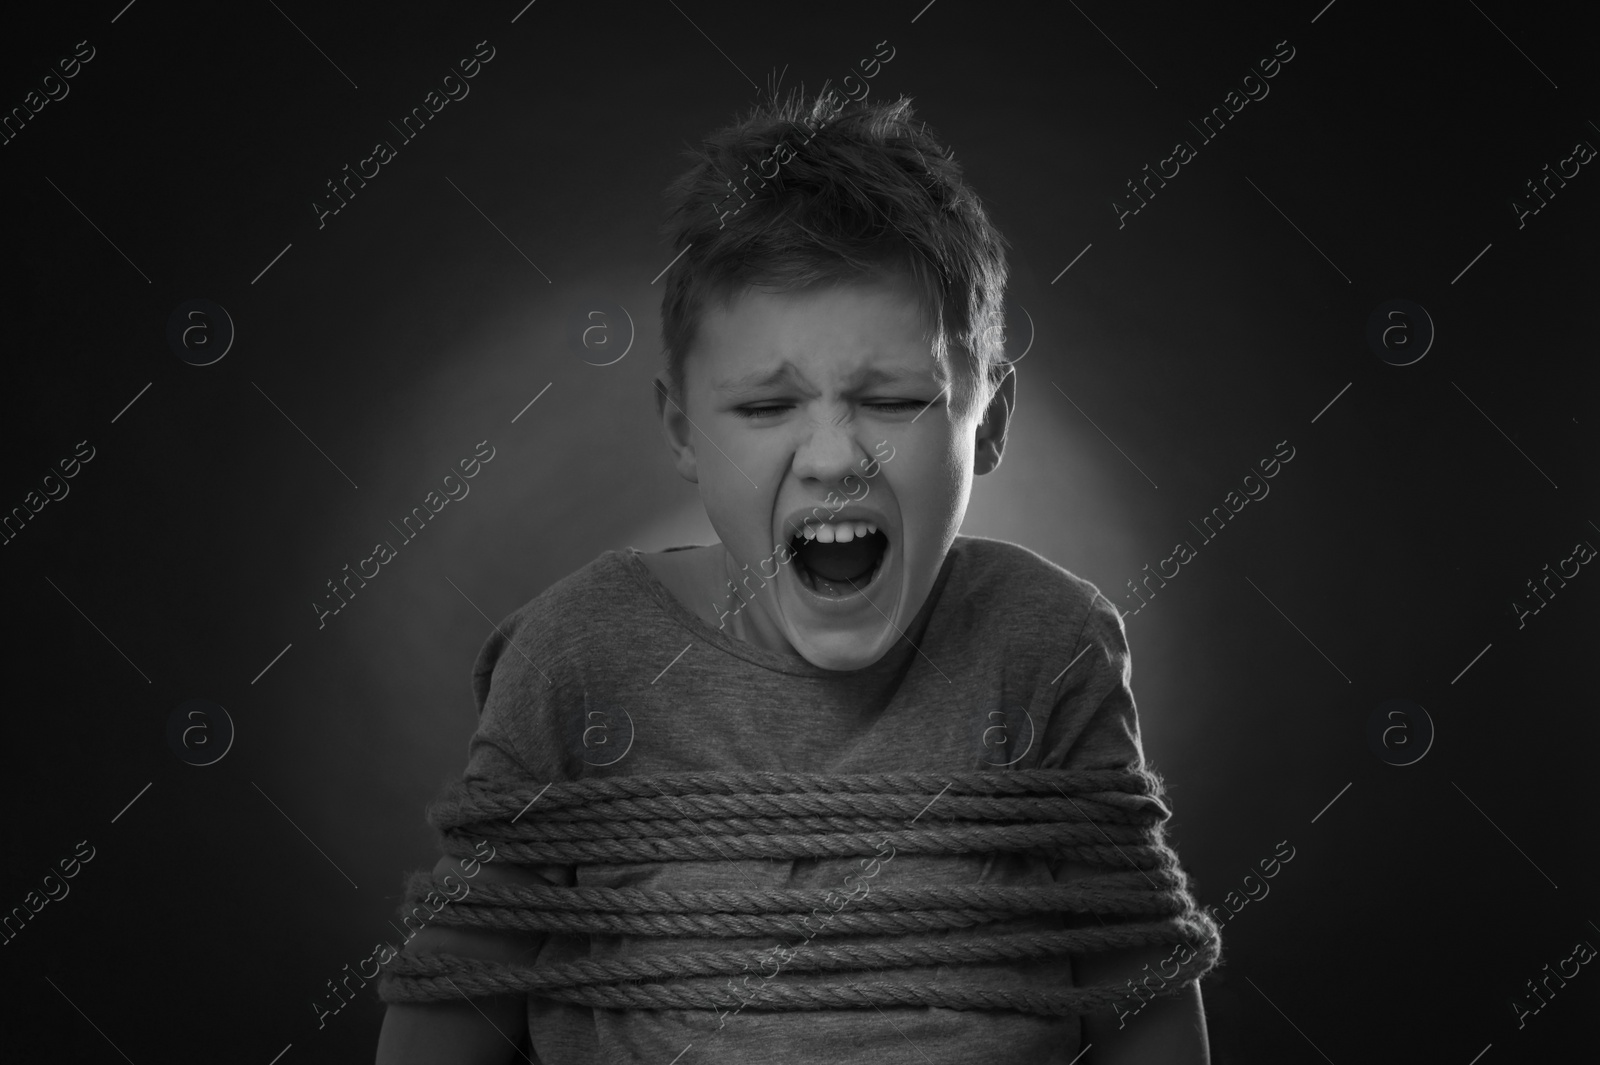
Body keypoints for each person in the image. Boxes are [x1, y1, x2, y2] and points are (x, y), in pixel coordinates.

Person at [376, 87, 1214, 1064]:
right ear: (682, 429)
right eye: (767, 406)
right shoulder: (580, 656)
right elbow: (454, 999)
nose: (832, 457)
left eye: (893, 398)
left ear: (986, 426)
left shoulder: (1045, 644)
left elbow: (1139, 992)